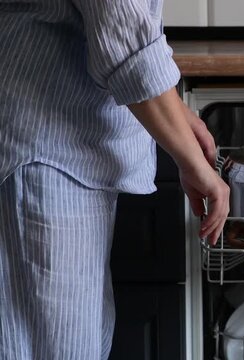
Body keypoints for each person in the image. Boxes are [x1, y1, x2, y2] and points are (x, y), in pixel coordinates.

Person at [0, 0, 229, 359]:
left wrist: (177, 113)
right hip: (46, 146)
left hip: (63, 143)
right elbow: (120, 33)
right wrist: (194, 165)